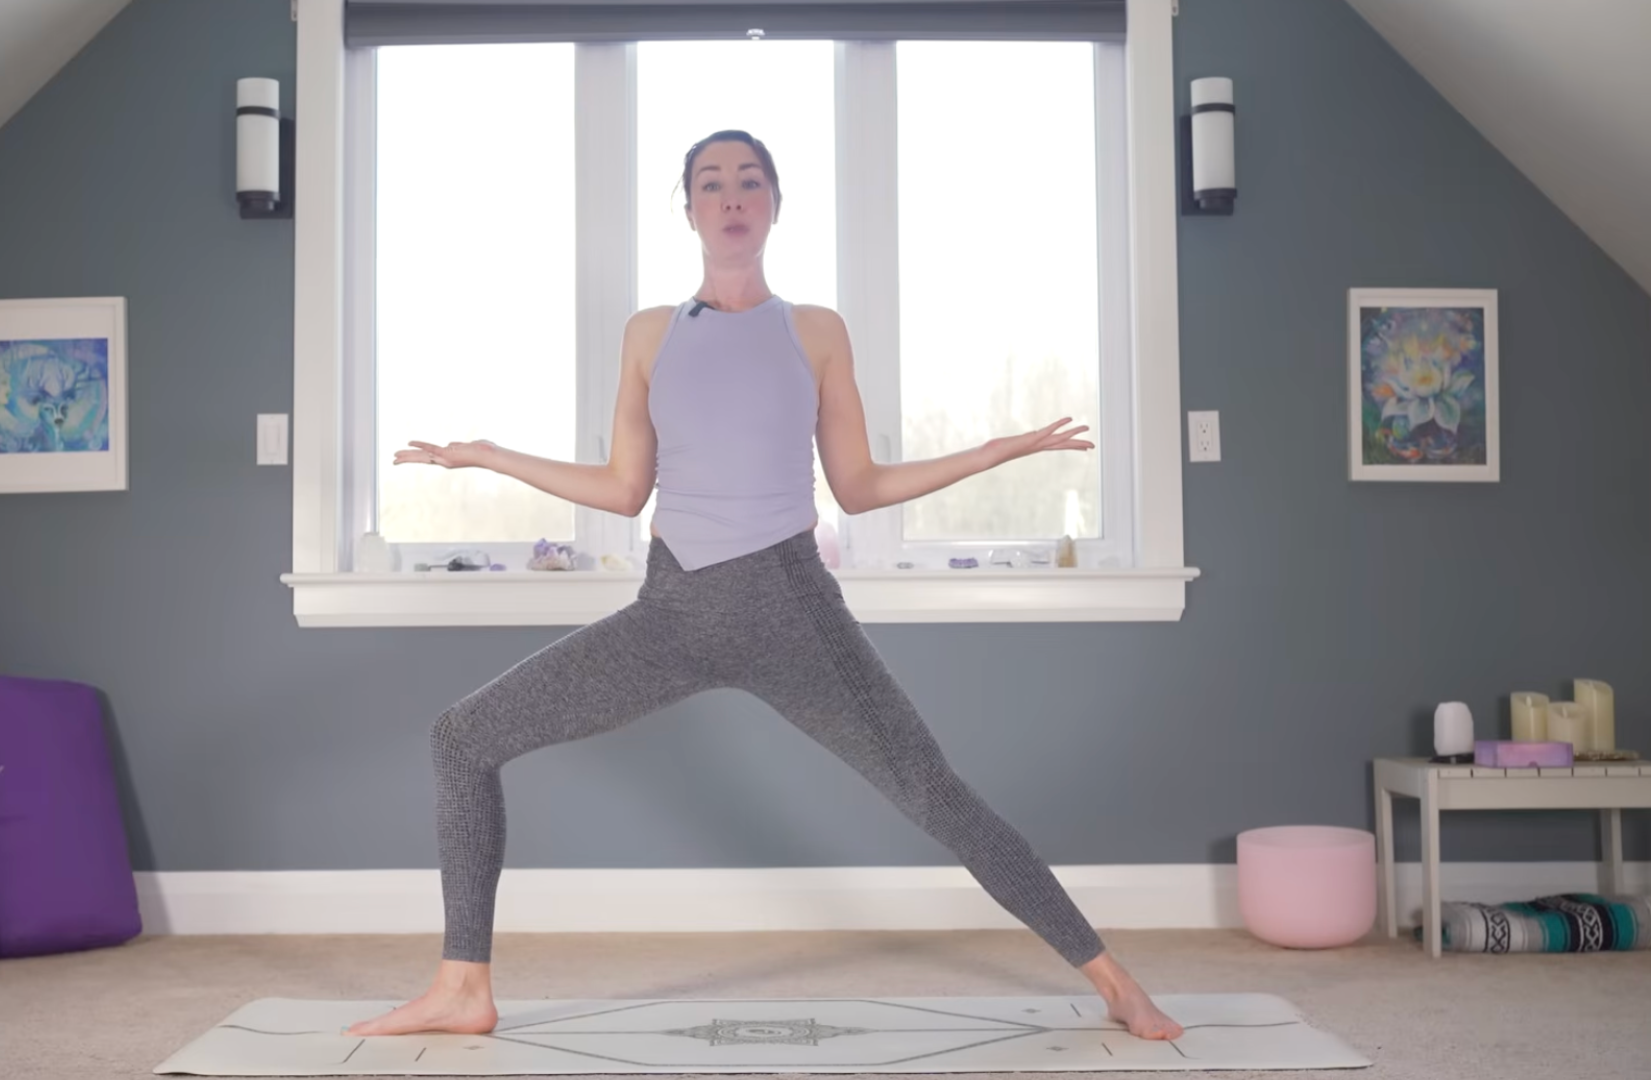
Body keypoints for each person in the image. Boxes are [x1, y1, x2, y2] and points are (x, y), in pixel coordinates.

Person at [347, 130, 1183, 1042]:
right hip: (669, 611)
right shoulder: (649, 333)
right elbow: (625, 488)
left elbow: (859, 486)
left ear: (775, 204)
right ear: (691, 209)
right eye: (711, 184)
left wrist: (993, 452)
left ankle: (1113, 981)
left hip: (789, 610)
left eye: (749, 182)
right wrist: (491, 457)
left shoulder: (814, 330)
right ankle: (464, 987)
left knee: (932, 791)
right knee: (463, 740)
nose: (731, 197)